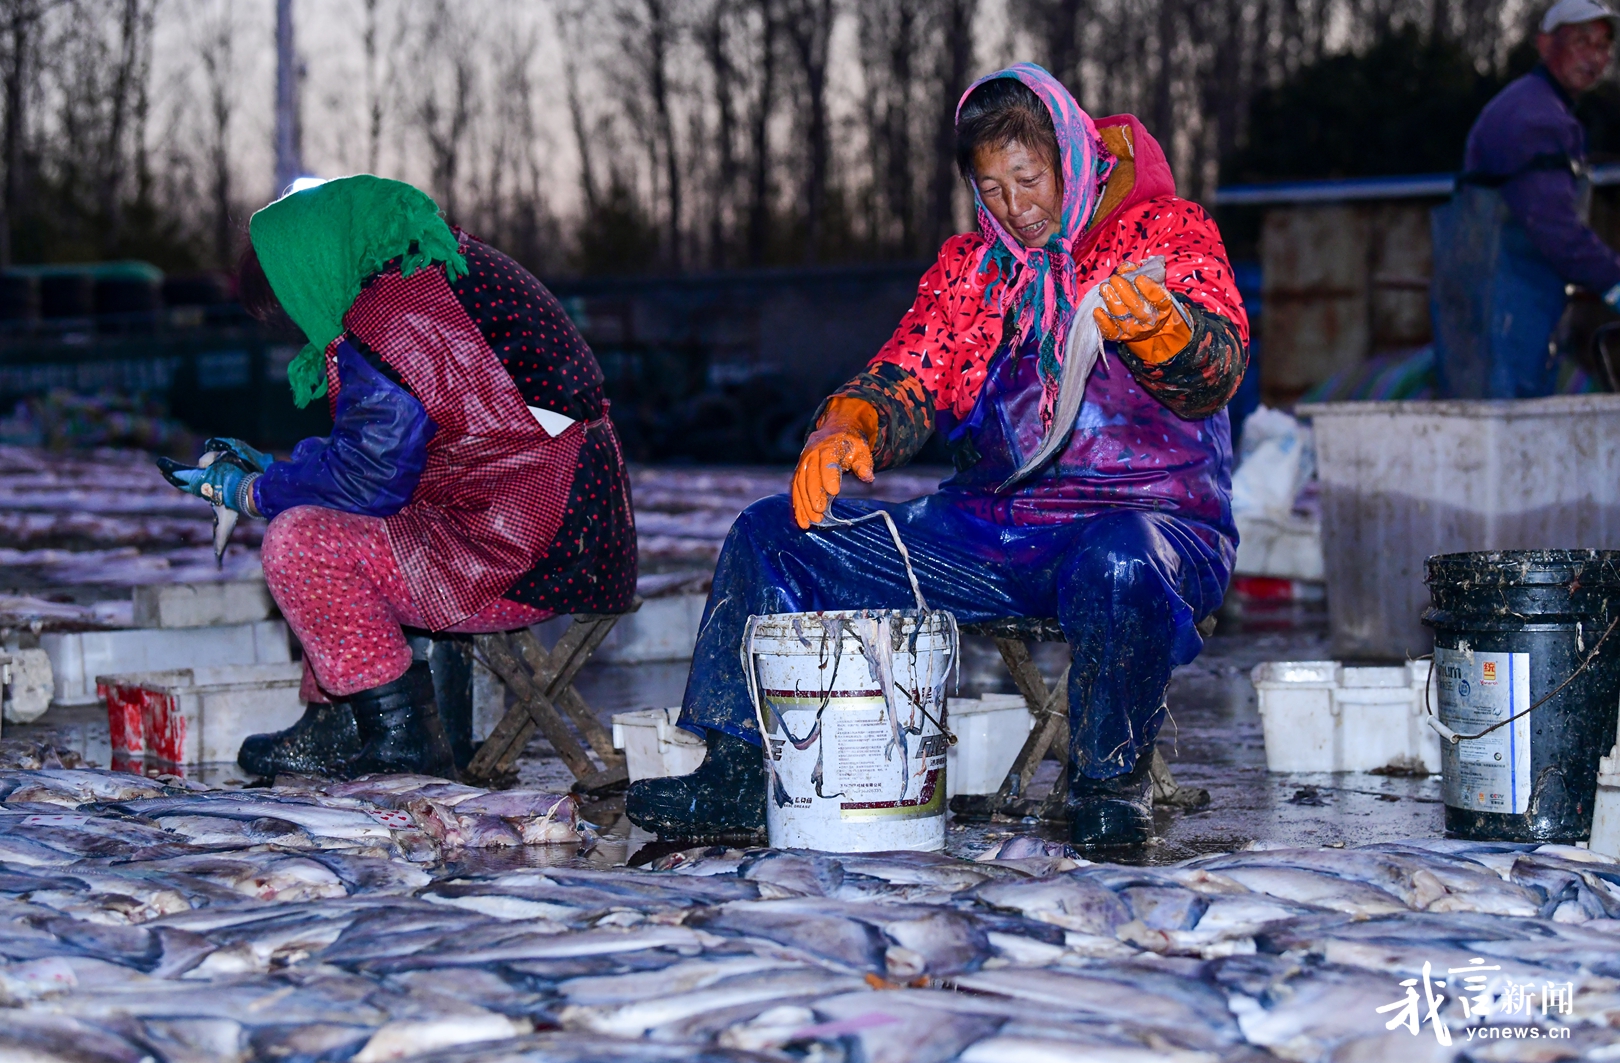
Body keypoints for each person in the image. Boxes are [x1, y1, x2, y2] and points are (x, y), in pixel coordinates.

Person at [626, 64, 1247, 848]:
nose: (1016, 209)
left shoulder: (1166, 232)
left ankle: (1108, 782)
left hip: (1149, 523)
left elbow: (1220, 367)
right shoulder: (972, 272)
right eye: (991, 189)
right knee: (772, 534)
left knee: (1119, 563)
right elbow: (908, 376)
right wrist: (849, 424)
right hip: (994, 532)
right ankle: (737, 771)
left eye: (1029, 179)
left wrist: (1167, 331)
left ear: (1071, 156)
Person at [161, 175, 636, 779]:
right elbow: (385, 442)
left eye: (290, 296)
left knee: (303, 543)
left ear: (312, 263)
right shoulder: (430, 273)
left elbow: (367, 478)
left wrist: (254, 492)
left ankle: (404, 737)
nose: (300, 318)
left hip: (530, 548)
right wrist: (286, 471)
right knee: (325, 515)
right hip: (567, 524)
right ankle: (336, 719)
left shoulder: (391, 317)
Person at [1433, 0, 1620, 398]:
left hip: (1513, 314)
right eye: (1580, 41)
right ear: (1544, 44)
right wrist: (1615, 281)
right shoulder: (1533, 117)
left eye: (1603, 46)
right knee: (1503, 430)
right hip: (1503, 317)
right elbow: (1553, 227)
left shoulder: (1544, 108)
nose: (1594, 56)